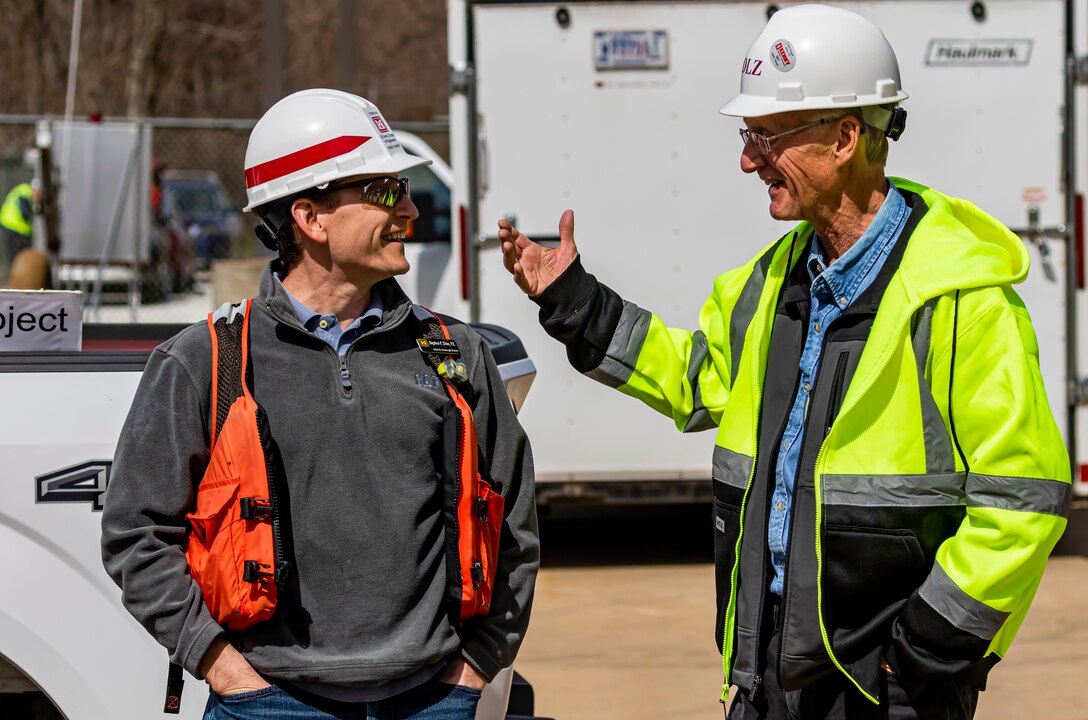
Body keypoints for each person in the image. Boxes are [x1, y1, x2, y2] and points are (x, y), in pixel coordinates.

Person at [499, 5, 1069, 719]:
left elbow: (1022, 501)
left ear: (845, 137)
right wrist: (574, 300)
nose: (747, 160)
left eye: (766, 137)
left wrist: (921, 651)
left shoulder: (962, 301)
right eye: (748, 137)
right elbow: (694, 379)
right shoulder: (767, 285)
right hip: (765, 678)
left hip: (886, 691)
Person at [102, 88, 539, 720]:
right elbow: (134, 534)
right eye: (387, 192)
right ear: (310, 218)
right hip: (268, 703)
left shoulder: (455, 355)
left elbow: (515, 525)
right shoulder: (206, 361)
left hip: (434, 702)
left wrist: (476, 665)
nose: (411, 211)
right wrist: (223, 668)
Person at [0, 181, 36, 279]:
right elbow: (25, 213)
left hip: (8, 224)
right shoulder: (25, 193)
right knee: (17, 256)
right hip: (14, 227)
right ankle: (16, 279)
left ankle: (15, 278)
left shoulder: (21, 190)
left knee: (14, 256)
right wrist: (33, 222)